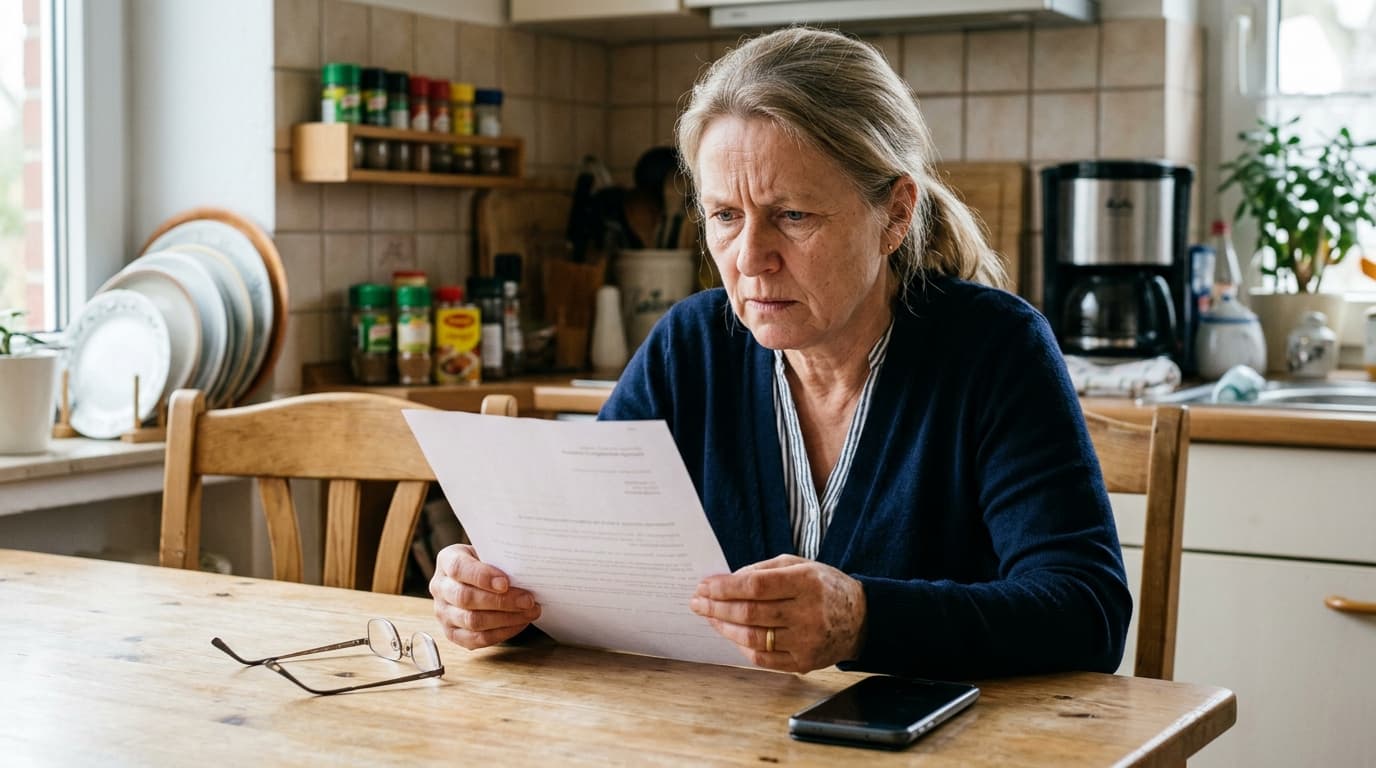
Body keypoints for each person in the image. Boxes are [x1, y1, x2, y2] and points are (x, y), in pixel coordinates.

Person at [431, 27, 1131, 680]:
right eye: (726, 217)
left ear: (895, 214)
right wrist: (499, 600)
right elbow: (582, 567)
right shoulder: (690, 346)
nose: (751, 260)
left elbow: (1087, 611)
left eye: (793, 216)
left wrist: (862, 619)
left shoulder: (994, 349)